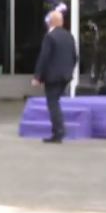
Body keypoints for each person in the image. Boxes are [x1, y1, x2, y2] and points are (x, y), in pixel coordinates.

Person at [32, 10, 77, 143]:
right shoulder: (69, 36)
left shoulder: (50, 37)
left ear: (50, 22)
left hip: (53, 77)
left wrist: (38, 76)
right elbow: (75, 56)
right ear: (61, 22)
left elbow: (44, 57)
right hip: (65, 76)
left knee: (52, 103)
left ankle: (59, 131)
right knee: (55, 101)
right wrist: (69, 71)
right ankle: (57, 131)